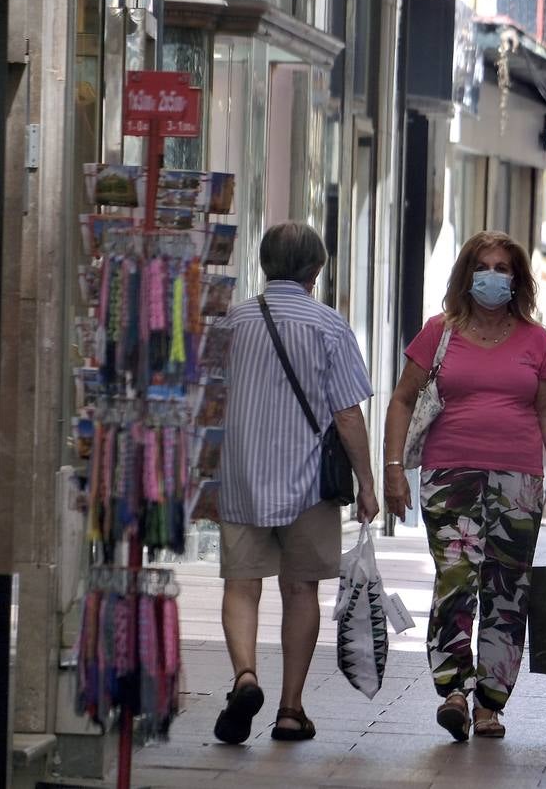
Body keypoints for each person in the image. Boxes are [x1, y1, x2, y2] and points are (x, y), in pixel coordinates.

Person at [382, 230, 546, 742]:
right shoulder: (440, 332)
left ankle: (491, 702)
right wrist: (390, 466)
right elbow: (403, 399)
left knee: (506, 588)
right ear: (466, 274)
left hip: (519, 481)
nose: (492, 276)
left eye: (502, 267)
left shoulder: (536, 340)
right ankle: (454, 691)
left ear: (516, 279)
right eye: (483, 265)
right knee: (455, 579)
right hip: (450, 476)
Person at [212, 222, 378, 745]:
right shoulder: (329, 326)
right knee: (301, 588)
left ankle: (244, 677)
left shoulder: (230, 322)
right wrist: (368, 484)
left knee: (242, 584)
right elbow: (347, 415)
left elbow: (208, 400)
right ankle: (289, 710)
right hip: (309, 480)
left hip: (239, 476)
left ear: (264, 264)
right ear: (317, 270)